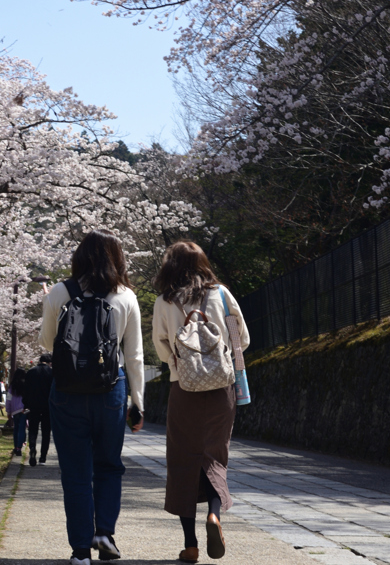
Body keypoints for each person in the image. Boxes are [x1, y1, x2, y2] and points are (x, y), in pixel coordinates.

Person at [40, 230, 146, 565]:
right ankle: (105, 533)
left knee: (74, 471)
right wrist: (138, 402)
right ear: (117, 258)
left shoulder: (60, 291)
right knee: (109, 466)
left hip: (67, 391)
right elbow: (135, 356)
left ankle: (80, 551)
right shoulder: (125, 295)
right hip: (110, 390)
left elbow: (46, 344)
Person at [151, 240, 250, 564]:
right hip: (221, 389)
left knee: (183, 460)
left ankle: (191, 544)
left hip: (184, 389)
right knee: (214, 456)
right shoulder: (220, 294)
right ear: (202, 263)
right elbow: (243, 338)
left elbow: (160, 345)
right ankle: (214, 515)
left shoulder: (165, 300)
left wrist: (178, 363)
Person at [24, 353, 53, 466]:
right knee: (46, 432)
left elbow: (26, 389)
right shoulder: (51, 373)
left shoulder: (31, 372)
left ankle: (32, 447)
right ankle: (43, 457)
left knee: (33, 429)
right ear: (49, 362)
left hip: (33, 405)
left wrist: (25, 404)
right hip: (47, 406)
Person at [5, 367, 28, 457]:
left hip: (14, 410)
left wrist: (8, 411)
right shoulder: (26, 385)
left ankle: (15, 447)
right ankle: (19, 447)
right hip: (24, 409)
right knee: (22, 429)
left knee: (16, 429)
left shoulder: (12, 386)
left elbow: (8, 399)